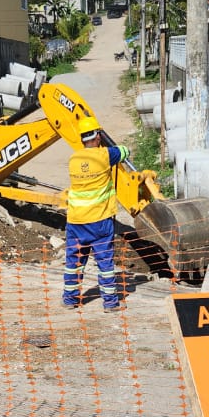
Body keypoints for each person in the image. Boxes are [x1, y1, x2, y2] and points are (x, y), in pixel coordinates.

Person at [63, 115, 130, 312]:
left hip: (76, 220)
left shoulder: (73, 159)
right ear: (98, 135)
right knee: (105, 262)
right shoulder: (105, 155)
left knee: (74, 262)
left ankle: (70, 300)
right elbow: (125, 151)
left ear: (82, 138)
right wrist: (107, 141)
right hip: (99, 220)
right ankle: (110, 303)